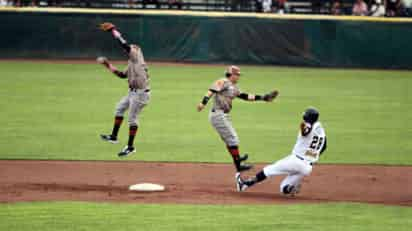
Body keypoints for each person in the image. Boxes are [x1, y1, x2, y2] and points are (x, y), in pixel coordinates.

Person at [197, 65, 279, 172]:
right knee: (233, 138)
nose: (238, 77)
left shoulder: (234, 87)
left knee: (230, 140)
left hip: (223, 115)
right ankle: (238, 163)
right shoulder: (223, 81)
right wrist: (203, 103)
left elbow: (245, 96)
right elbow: (211, 90)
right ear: (231, 75)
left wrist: (262, 98)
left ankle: (238, 162)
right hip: (218, 114)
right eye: (237, 75)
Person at [236, 107, 327, 196]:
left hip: (296, 161)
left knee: (269, 170)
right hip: (307, 167)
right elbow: (324, 147)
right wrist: (312, 156)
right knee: (283, 189)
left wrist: (303, 127)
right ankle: (291, 188)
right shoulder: (321, 131)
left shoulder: (306, 126)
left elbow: (305, 132)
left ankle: (244, 184)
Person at [98, 22, 151, 157]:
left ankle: (130, 147)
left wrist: (114, 31)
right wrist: (108, 65)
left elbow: (125, 45)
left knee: (132, 119)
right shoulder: (132, 63)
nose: (129, 50)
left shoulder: (137, 59)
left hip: (141, 94)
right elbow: (122, 75)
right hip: (132, 92)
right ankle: (114, 136)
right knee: (119, 109)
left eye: (132, 49)